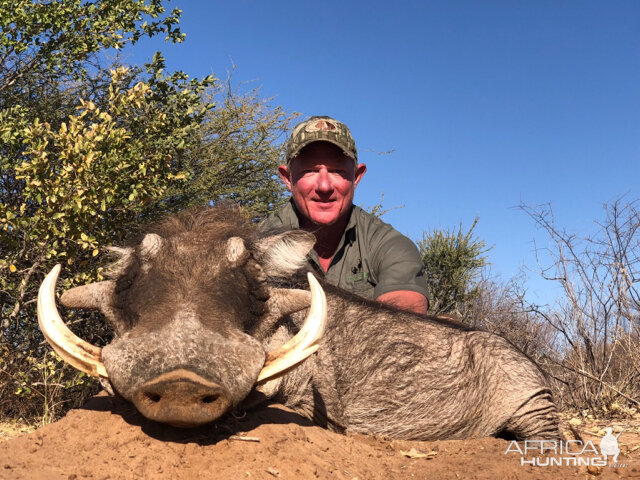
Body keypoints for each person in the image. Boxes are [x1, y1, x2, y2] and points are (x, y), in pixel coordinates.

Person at [261, 116, 429, 315]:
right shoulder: (260, 243)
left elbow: (404, 322)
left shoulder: (391, 246)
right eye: (310, 171)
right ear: (287, 178)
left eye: (337, 171)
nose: (324, 186)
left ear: (356, 177)